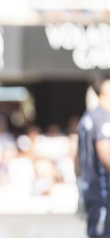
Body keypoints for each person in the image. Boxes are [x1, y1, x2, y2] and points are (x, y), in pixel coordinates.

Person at [78, 78, 110, 238]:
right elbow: (106, 155)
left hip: (89, 188)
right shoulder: (102, 117)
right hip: (102, 191)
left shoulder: (87, 116)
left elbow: (75, 155)